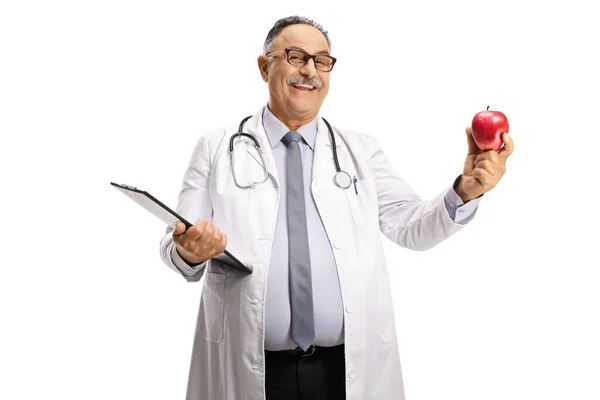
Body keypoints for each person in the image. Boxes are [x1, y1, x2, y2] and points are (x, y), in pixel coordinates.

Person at [159, 15, 514, 400]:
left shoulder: (360, 151)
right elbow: (176, 239)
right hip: (250, 369)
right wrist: (188, 250)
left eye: (321, 60)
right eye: (295, 56)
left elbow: (413, 227)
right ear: (264, 67)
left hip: (343, 371)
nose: (309, 70)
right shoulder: (215, 148)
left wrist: (466, 190)